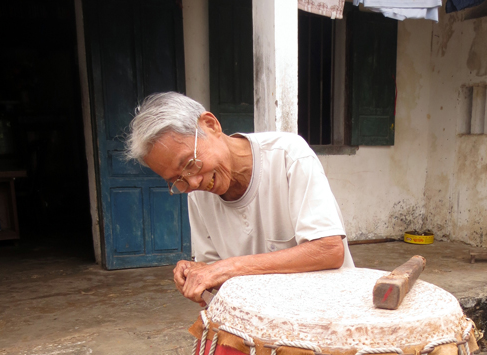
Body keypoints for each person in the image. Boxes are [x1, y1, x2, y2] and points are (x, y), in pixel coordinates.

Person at [127, 92, 354, 306]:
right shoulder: (197, 192)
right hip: (263, 323)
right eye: (176, 180)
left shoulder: (288, 155)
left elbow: (329, 250)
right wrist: (196, 272)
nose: (192, 182)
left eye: (188, 163)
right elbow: (214, 271)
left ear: (210, 125)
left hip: (324, 315)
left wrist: (228, 267)